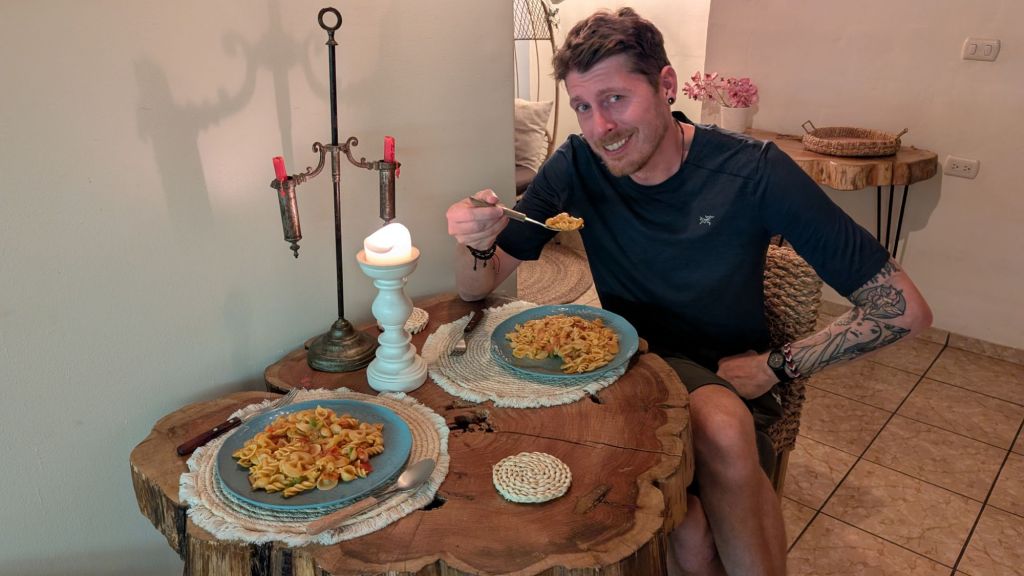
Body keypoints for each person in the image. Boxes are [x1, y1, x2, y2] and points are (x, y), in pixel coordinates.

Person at [446, 8, 931, 575]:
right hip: (625, 369)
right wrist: (475, 239)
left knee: (721, 430)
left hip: (725, 373)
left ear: (667, 85)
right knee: (687, 529)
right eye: (583, 106)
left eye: (615, 98)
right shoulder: (577, 164)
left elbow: (904, 309)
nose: (600, 127)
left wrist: (775, 366)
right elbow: (477, 285)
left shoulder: (753, 171)